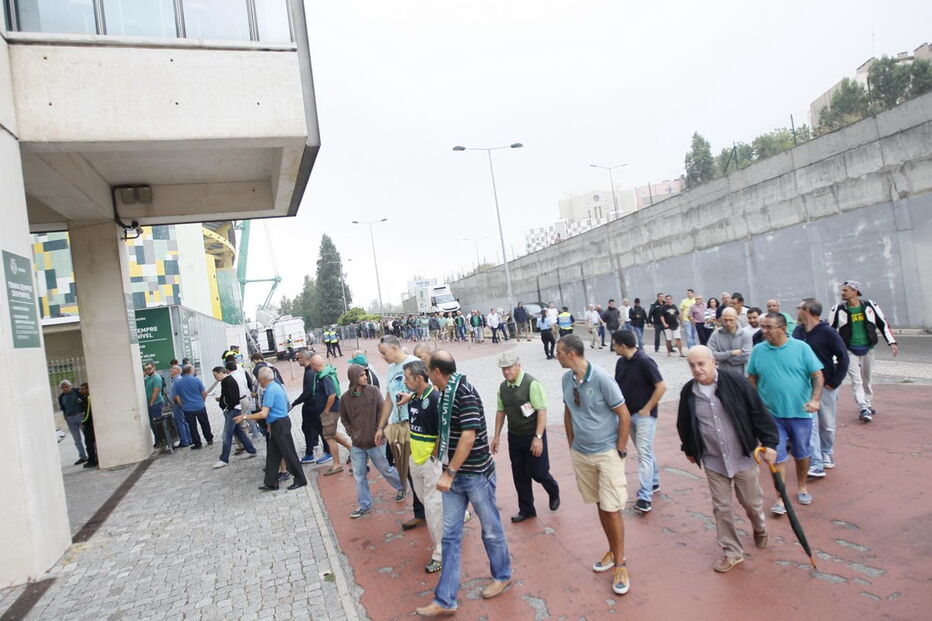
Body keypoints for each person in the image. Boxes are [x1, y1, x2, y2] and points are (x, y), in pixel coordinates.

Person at [415, 351, 512, 617]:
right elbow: (450, 430)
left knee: (490, 529)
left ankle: (502, 575)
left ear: (436, 372)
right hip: (455, 476)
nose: (424, 372)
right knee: (450, 537)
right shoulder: (445, 392)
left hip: (475, 475)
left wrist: (449, 472)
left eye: (426, 368)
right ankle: (445, 600)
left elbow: (468, 437)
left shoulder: (463, 392)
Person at [677, 346, 779, 572]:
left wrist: (770, 443)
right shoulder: (689, 392)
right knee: (721, 507)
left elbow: (758, 412)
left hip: (743, 455)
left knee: (751, 503)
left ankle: (759, 528)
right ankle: (731, 551)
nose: (697, 369)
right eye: (692, 365)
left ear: (714, 362)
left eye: (701, 363)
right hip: (714, 460)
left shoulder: (736, 382)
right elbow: (684, 422)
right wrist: (690, 449)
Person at [556, 334, 632, 596]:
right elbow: (568, 411)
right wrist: (571, 445)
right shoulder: (566, 379)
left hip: (607, 452)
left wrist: (620, 447)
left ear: (572, 354)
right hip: (582, 453)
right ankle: (612, 550)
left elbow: (623, 413)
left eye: (559, 352)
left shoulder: (601, 378)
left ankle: (620, 564)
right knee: (600, 504)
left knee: (612, 508)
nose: (556, 356)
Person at [747, 313, 823, 515]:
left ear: (782, 328)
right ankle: (781, 497)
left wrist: (815, 399)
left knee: (802, 453)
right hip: (771, 416)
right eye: (762, 327)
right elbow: (751, 377)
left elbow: (817, 374)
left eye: (768, 327)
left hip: (800, 414)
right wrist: (756, 405)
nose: (763, 331)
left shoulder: (801, 348)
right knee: (776, 457)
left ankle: (802, 486)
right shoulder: (758, 351)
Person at [492, 352, 560, 523]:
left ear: (518, 366)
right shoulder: (503, 388)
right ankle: (527, 509)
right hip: (515, 437)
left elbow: (542, 411)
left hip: (532, 435)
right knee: (519, 475)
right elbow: (501, 412)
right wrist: (497, 436)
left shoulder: (531, 384)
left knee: (539, 472)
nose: (506, 372)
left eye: (509, 368)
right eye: (503, 369)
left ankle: (553, 489)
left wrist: (538, 437)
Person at [794, 298, 849, 477]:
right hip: (804, 386)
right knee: (810, 423)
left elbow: (843, 357)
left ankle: (827, 452)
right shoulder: (798, 332)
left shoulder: (828, 333)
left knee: (826, 423)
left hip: (825, 386)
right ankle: (816, 462)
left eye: (799, 308)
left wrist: (834, 382)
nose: (797, 310)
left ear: (808, 311)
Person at [829, 280, 898, 423]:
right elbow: (830, 330)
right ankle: (863, 407)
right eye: (842, 290)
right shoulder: (838, 309)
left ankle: (867, 402)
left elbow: (882, 323)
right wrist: (832, 350)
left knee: (867, 379)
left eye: (845, 290)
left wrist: (891, 342)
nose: (842, 293)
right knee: (857, 380)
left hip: (868, 348)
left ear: (855, 292)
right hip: (848, 350)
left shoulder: (870, 306)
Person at [341, 365, 404, 518]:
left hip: (376, 442)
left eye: (365, 374)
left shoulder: (373, 392)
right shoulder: (345, 398)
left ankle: (402, 486)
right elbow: (344, 419)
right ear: (354, 377)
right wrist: (352, 433)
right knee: (359, 475)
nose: (366, 377)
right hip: (357, 444)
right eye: (362, 375)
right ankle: (364, 505)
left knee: (385, 469)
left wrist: (380, 431)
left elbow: (383, 412)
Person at [612, 330, 665, 513]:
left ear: (622, 345)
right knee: (646, 451)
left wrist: (647, 409)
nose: (613, 347)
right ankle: (654, 481)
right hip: (628, 415)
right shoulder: (621, 363)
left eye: (614, 343)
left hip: (643, 416)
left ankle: (645, 497)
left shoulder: (644, 361)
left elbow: (661, 386)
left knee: (643, 454)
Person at [401, 360, 444, 572]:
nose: (405, 382)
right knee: (426, 502)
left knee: (433, 507)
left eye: (407, 378)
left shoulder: (434, 399)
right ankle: (454, 513)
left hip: (430, 462)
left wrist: (435, 453)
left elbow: (442, 429)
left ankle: (440, 553)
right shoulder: (414, 398)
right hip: (415, 459)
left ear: (418, 378)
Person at [237, 367, 307, 491]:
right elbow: (280, 406)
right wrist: (270, 424)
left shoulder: (270, 390)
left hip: (279, 424)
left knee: (288, 453)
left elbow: (263, 413)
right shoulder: (276, 386)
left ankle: (300, 479)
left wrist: (245, 416)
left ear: (262, 379)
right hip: (277, 423)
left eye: (259, 379)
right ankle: (271, 482)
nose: (259, 382)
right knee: (273, 455)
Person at [376, 336, 418, 517]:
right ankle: (420, 512)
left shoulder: (415, 363)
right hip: (398, 425)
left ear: (394, 348)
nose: (383, 357)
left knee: (421, 469)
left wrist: (413, 398)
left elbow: (430, 392)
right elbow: (388, 400)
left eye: (384, 353)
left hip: (415, 423)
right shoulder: (390, 370)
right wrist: (380, 427)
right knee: (406, 469)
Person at [308, 354, 352, 475]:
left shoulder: (325, 377)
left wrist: (326, 410)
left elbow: (332, 395)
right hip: (330, 410)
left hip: (330, 411)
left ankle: (337, 464)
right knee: (331, 433)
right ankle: (352, 449)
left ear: (314, 365)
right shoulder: (323, 374)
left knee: (329, 437)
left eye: (311, 365)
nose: (311, 367)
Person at [211, 366, 257, 469]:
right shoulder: (227, 381)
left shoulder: (228, 381)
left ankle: (224, 459)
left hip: (232, 410)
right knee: (238, 431)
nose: (215, 378)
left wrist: (227, 406)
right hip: (232, 409)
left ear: (220, 372)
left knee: (226, 434)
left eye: (215, 375)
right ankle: (251, 450)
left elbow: (233, 398)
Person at [292, 350, 324, 463]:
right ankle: (311, 452)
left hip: (312, 405)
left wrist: (294, 403)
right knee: (309, 428)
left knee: (317, 428)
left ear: (304, 359)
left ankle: (323, 451)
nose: (297, 361)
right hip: (310, 404)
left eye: (298, 359)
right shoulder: (309, 371)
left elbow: (308, 392)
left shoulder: (310, 372)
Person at [173, 365, 213, 449]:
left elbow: (176, 397)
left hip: (187, 408)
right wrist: (202, 401)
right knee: (204, 423)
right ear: (191, 371)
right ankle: (209, 439)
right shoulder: (197, 380)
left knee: (192, 426)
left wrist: (182, 405)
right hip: (199, 406)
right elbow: (204, 393)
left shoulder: (178, 383)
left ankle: (197, 443)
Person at [708, 308, 752, 372]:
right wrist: (731, 353)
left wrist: (723, 358)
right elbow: (711, 355)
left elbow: (746, 356)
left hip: (741, 375)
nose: (728, 323)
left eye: (731, 320)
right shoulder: (715, 335)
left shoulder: (746, 335)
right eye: (725, 320)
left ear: (737, 318)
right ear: (722, 319)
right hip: (723, 375)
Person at [58, 380, 88, 465]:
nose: (65, 389)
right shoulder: (61, 397)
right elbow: (63, 408)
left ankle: (93, 454)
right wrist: (66, 417)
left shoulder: (77, 392)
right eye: (63, 387)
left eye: (67, 386)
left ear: (70, 386)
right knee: (76, 439)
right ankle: (82, 456)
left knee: (87, 436)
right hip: (70, 418)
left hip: (80, 416)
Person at [143, 363, 169, 449]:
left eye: (149, 368)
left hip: (156, 404)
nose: (147, 370)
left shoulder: (157, 378)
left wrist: (151, 403)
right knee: (153, 424)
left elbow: (156, 391)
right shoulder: (147, 377)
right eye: (146, 369)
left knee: (157, 424)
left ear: (154, 368)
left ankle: (162, 441)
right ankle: (158, 440)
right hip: (151, 404)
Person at [168, 365, 193, 448]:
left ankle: (184, 441)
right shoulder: (173, 380)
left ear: (178, 371)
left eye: (173, 368)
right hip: (177, 404)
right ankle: (189, 440)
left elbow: (178, 393)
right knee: (184, 422)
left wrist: (175, 402)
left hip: (177, 404)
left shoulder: (178, 380)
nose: (171, 370)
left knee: (180, 422)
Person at [77, 383, 97, 468]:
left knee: (89, 442)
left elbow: (88, 412)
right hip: (88, 423)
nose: (80, 391)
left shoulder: (88, 398)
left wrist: (84, 421)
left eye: (82, 389)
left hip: (89, 424)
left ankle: (92, 460)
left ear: (88, 389)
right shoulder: (84, 397)